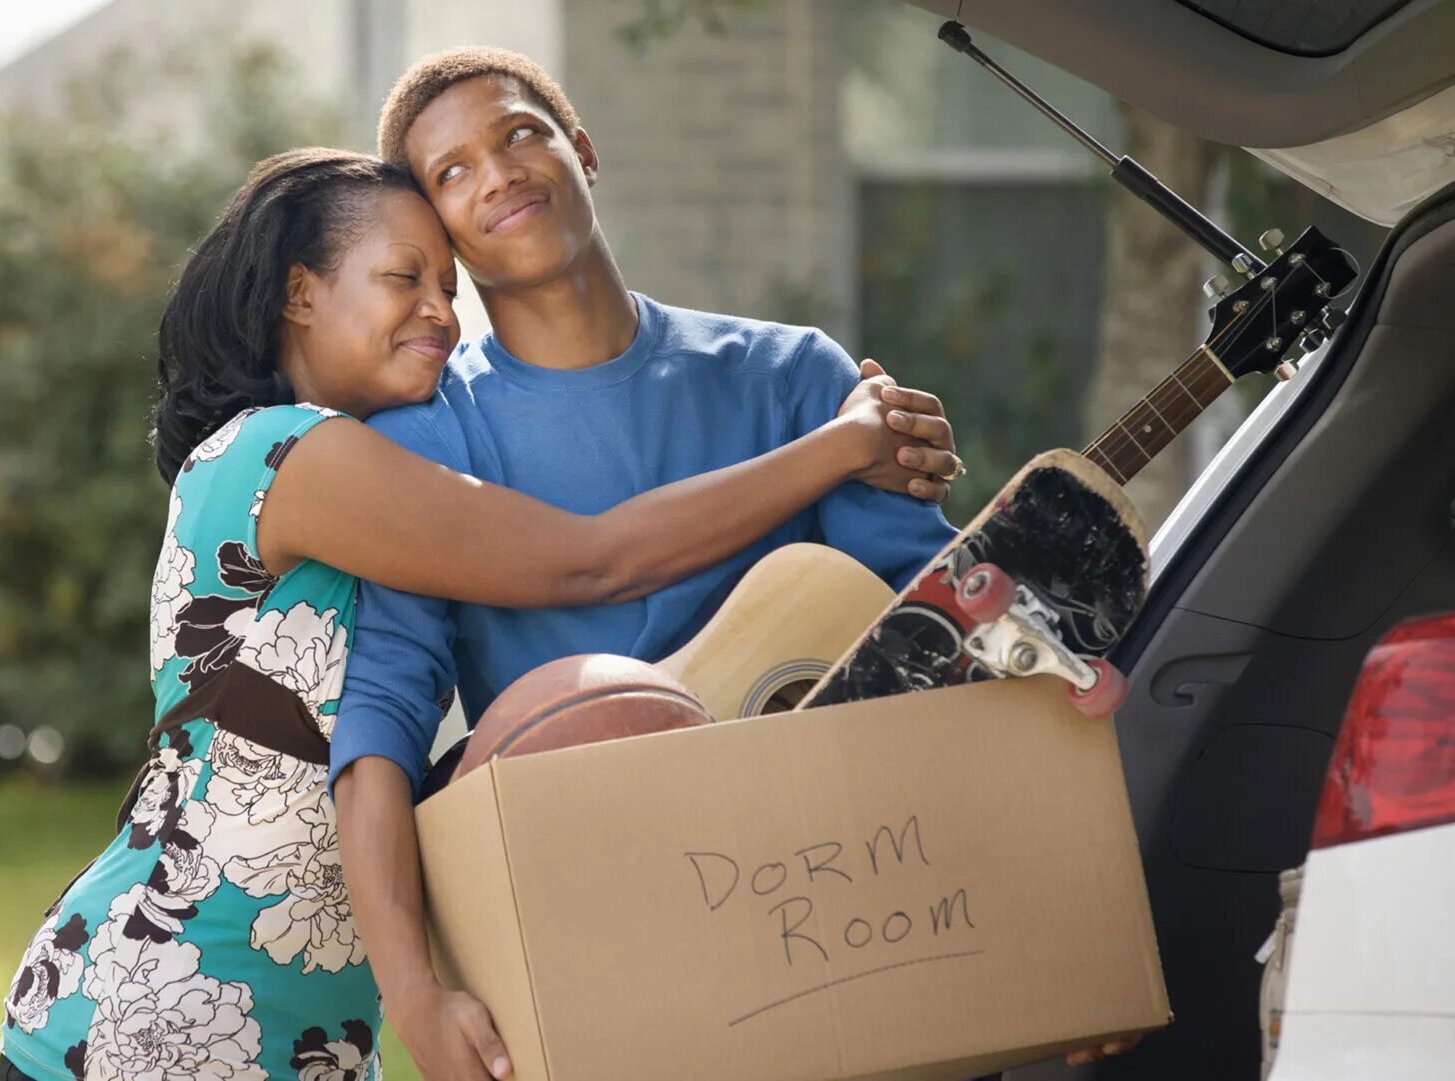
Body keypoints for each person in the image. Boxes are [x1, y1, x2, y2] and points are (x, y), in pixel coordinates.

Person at [0, 147, 959, 1081]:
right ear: (301, 294)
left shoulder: (329, 462)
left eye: (449, 290)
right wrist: (840, 444)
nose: (442, 315)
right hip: (162, 1010)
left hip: (303, 1025)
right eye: (403, 278)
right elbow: (592, 559)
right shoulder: (293, 454)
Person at [331, 48, 1136, 1081]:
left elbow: (947, 649)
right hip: (607, 929)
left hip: (852, 904)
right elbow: (382, 725)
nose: (496, 172)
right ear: (438, 233)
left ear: (581, 148)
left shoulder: (795, 376)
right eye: (450, 172)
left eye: (520, 133)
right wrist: (413, 994)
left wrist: (1073, 924)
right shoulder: (431, 441)